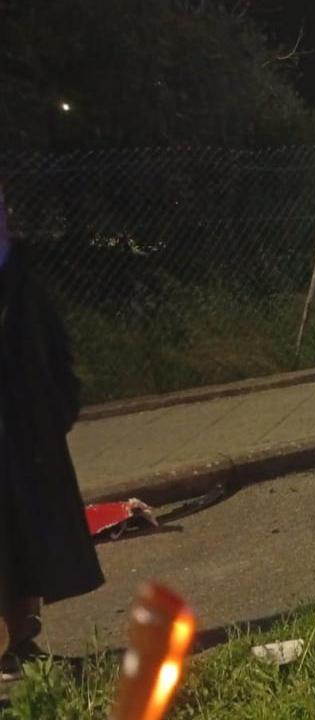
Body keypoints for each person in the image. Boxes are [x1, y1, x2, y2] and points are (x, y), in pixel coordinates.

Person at [0, 184, 105, 679]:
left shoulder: (20, 274)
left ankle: (21, 643)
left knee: (25, 543)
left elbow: (53, 347)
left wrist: (59, 407)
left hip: (25, 436)